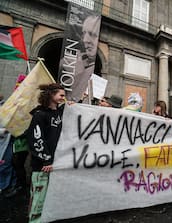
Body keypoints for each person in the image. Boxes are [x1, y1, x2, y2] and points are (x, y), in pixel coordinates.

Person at [26, 83, 65, 222]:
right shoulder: (39, 114)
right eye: (61, 95)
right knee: (39, 197)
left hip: (54, 163)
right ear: (51, 95)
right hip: (42, 165)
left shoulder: (59, 112)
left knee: (49, 196)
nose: (63, 98)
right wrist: (46, 160)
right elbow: (36, 139)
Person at [59, 15, 101, 102]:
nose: (85, 40)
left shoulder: (90, 65)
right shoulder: (67, 62)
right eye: (84, 33)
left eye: (92, 34)